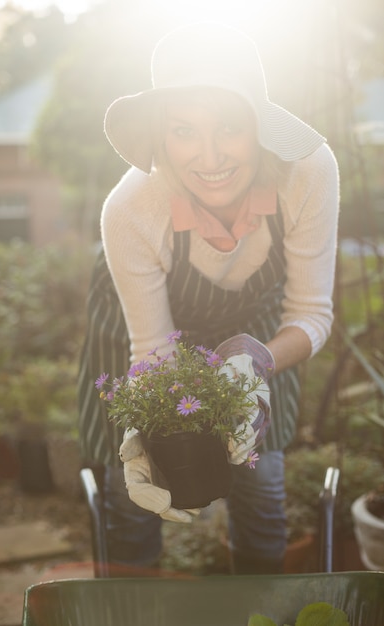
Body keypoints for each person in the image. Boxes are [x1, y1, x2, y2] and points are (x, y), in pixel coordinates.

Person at [78, 22, 339, 574]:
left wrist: (254, 361)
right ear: (161, 135)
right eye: (183, 131)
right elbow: (153, 347)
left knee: (261, 491)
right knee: (133, 507)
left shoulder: (308, 173)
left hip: (256, 331)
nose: (211, 155)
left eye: (230, 127)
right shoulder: (131, 209)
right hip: (133, 333)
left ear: (260, 127)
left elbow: (312, 314)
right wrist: (150, 421)